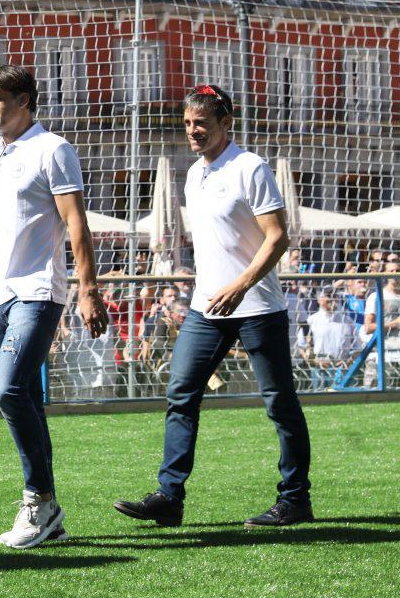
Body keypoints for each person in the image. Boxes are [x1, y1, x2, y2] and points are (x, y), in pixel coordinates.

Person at [114, 84, 313, 529]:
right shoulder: (193, 174)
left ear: (226, 123)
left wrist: (241, 285)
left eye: (201, 122)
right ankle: (169, 497)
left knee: (280, 403)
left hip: (257, 306)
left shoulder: (251, 168)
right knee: (181, 393)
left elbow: (277, 238)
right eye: (187, 123)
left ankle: (296, 498)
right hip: (206, 310)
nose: (192, 130)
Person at [0, 64, 106, 550]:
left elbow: (76, 223)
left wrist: (88, 289)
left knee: (7, 388)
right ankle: (50, 512)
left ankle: (37, 499)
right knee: (26, 400)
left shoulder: (52, 149)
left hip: (39, 291)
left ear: (23, 100)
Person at [302, 289, 360, 389]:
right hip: (319, 370)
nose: (333, 298)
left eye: (335, 296)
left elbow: (358, 348)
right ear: (319, 300)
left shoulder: (348, 321)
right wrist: (315, 361)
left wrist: (349, 361)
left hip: (341, 370)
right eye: (328, 295)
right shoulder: (311, 320)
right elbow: (301, 346)